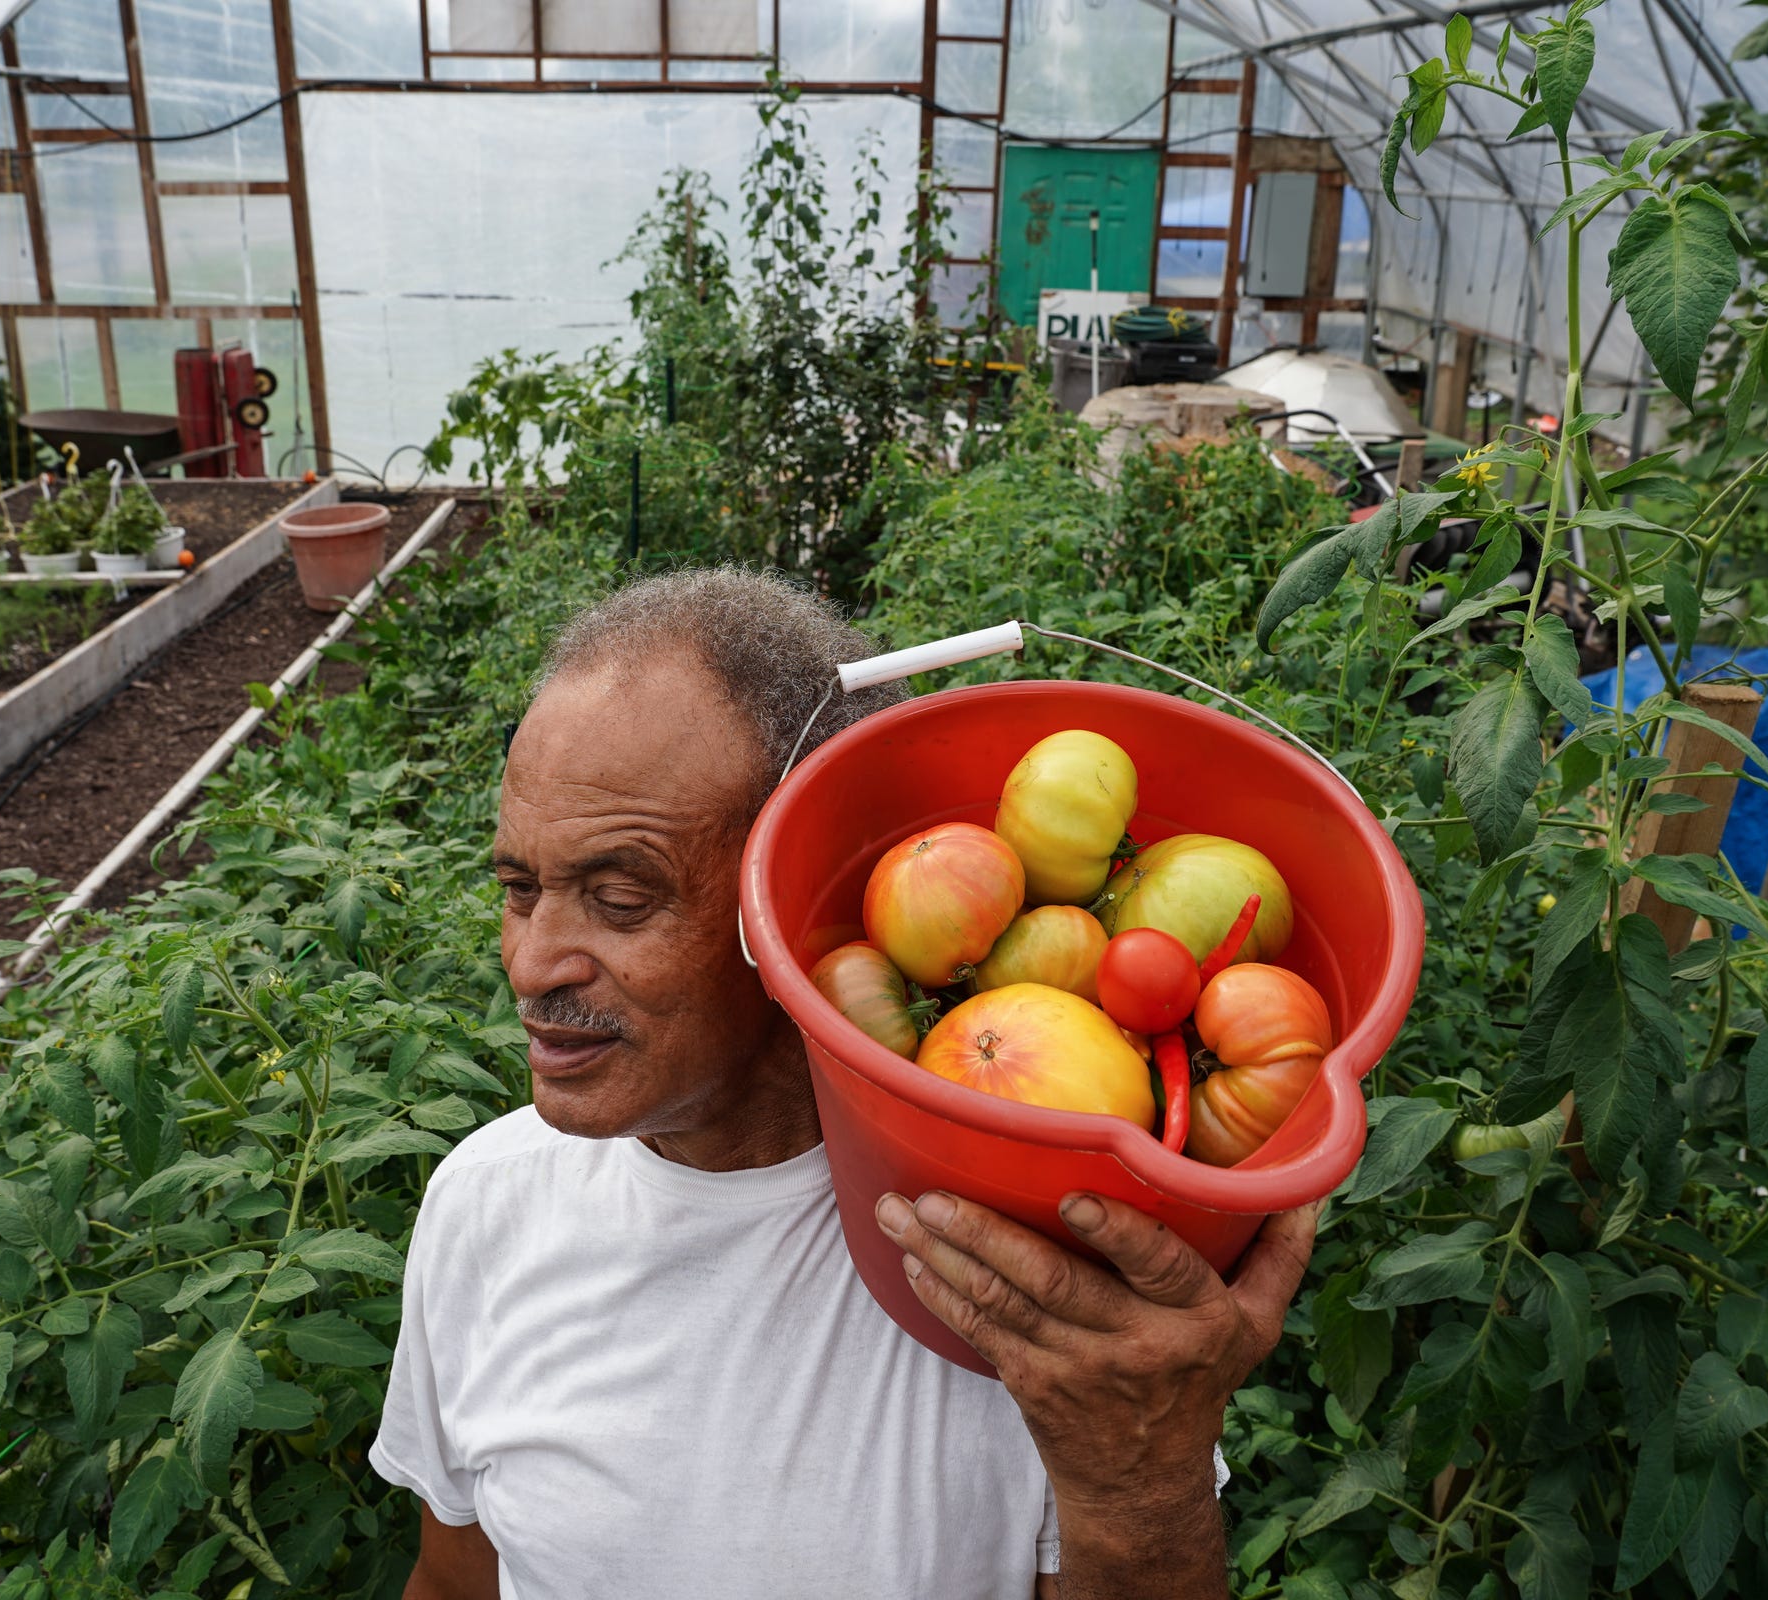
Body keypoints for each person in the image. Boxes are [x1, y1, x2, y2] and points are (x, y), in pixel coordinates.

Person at [373, 569, 1320, 1599]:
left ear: (793, 891)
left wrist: (1143, 1481)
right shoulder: (484, 1205)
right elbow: (453, 1580)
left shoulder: (1030, 1278)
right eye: (521, 889)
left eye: (619, 895)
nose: (533, 962)